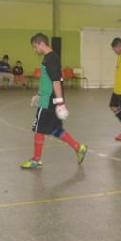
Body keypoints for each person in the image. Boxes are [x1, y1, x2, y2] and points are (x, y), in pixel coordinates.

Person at [19, 33, 88, 169]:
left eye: (35, 47)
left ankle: (36, 160)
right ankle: (78, 147)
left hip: (48, 101)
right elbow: (48, 80)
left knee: (38, 129)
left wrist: (60, 103)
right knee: (55, 129)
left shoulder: (50, 59)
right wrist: (39, 94)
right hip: (48, 98)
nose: (35, 50)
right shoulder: (51, 57)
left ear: (41, 44)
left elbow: (56, 81)